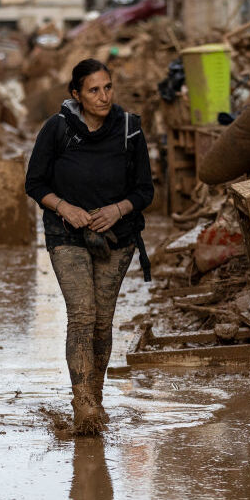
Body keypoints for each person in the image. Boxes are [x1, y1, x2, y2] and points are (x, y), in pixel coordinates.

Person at [25, 59, 154, 434]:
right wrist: (66, 208)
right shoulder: (58, 129)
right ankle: (83, 406)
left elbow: (145, 190)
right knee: (83, 315)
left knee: (102, 320)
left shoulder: (130, 130)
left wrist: (117, 209)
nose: (104, 96)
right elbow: (35, 183)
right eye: (94, 90)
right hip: (67, 235)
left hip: (118, 236)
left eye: (108, 87)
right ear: (76, 95)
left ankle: (95, 400)